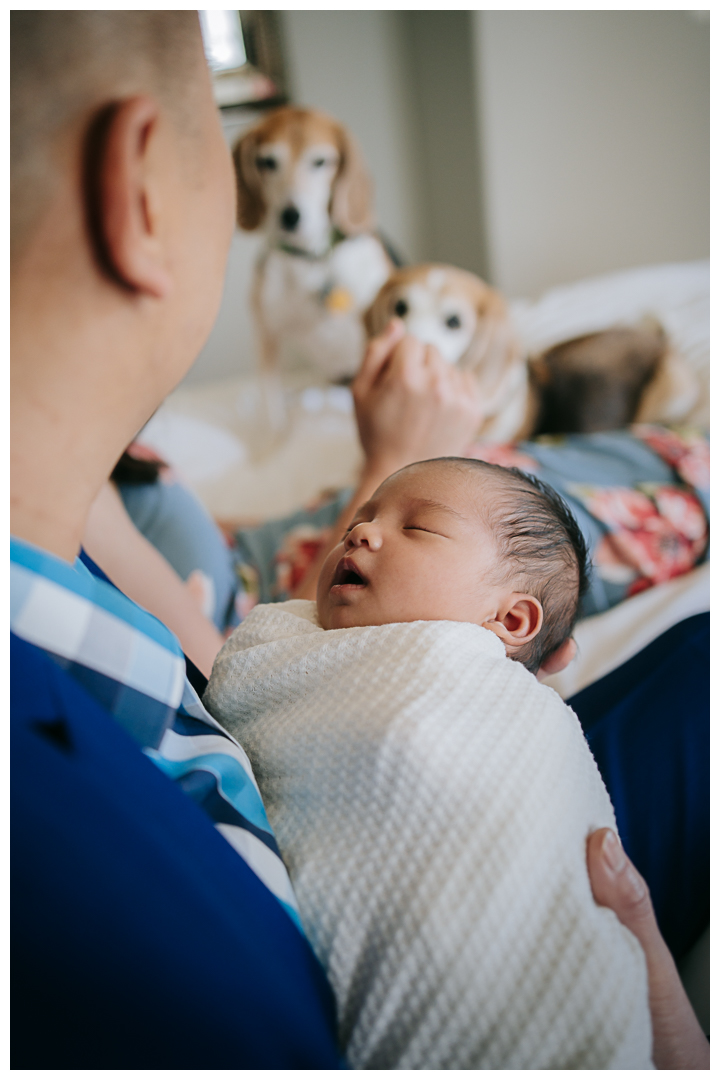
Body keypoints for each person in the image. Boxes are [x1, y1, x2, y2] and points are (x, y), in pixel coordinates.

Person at [10, 10, 707, 1070]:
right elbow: (257, 687)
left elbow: (217, 659)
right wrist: (387, 489)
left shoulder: (62, 503)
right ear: (143, 188)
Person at [204, 458, 655, 1067]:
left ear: (510, 620)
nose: (360, 533)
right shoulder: (288, 643)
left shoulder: (487, 698)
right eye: (361, 521)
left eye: (418, 529)